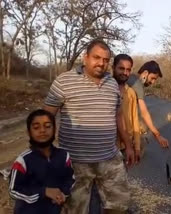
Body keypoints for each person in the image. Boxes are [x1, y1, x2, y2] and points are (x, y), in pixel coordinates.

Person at [44, 39, 134, 214]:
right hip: (76, 162)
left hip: (110, 159)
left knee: (119, 205)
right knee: (75, 209)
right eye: (96, 57)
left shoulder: (112, 83)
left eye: (106, 60)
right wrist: (45, 154)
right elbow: (47, 118)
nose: (101, 63)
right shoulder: (64, 81)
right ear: (85, 58)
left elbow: (118, 116)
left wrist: (128, 145)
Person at [9, 109, 75, 214]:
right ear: (29, 132)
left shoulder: (63, 156)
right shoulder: (23, 161)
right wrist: (44, 192)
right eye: (36, 127)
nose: (42, 130)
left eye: (48, 126)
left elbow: (70, 179)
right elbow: (14, 191)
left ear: (54, 129)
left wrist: (63, 193)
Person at [127, 61, 169, 149]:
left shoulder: (131, 78)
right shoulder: (137, 84)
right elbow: (144, 112)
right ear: (145, 73)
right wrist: (158, 135)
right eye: (152, 78)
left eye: (155, 80)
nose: (153, 82)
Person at [113, 54, 143, 162]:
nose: (125, 73)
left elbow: (135, 120)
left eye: (128, 70)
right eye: (121, 68)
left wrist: (137, 147)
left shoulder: (131, 93)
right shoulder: (105, 90)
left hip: (125, 146)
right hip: (108, 147)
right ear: (113, 67)